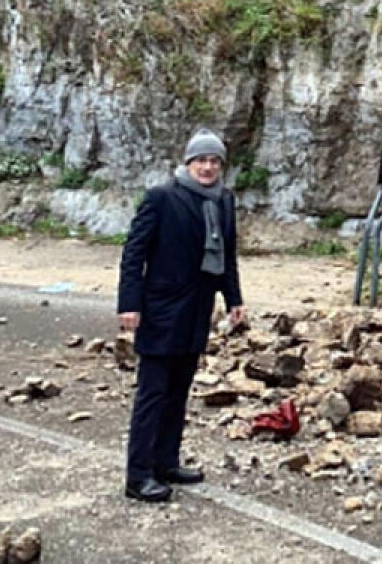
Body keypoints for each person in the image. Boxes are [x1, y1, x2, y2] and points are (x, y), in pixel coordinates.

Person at [117, 128, 245, 502]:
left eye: (214, 161)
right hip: (160, 307)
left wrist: (234, 298)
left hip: (198, 308)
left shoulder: (223, 200)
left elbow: (228, 255)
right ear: (188, 162)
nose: (207, 167)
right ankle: (138, 475)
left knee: (179, 390)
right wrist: (130, 303)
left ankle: (165, 462)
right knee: (153, 392)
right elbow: (134, 253)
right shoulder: (161, 197)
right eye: (201, 160)